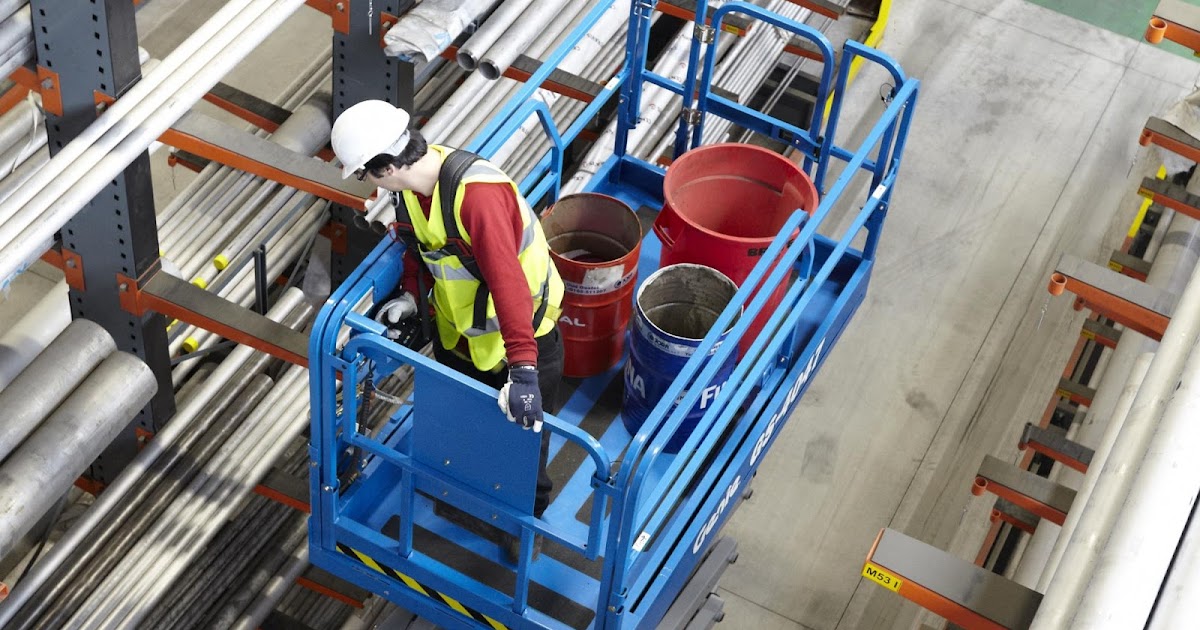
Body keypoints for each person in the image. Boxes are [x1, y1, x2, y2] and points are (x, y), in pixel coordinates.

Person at [330, 100, 563, 561]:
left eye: (365, 175)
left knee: (524, 440)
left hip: (524, 340)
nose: (370, 185)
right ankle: (477, 495)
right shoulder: (411, 192)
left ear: (385, 167)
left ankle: (526, 526)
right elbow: (420, 252)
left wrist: (524, 372)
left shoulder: (476, 198)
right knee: (474, 423)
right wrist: (411, 297)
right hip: (463, 338)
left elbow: (508, 284)